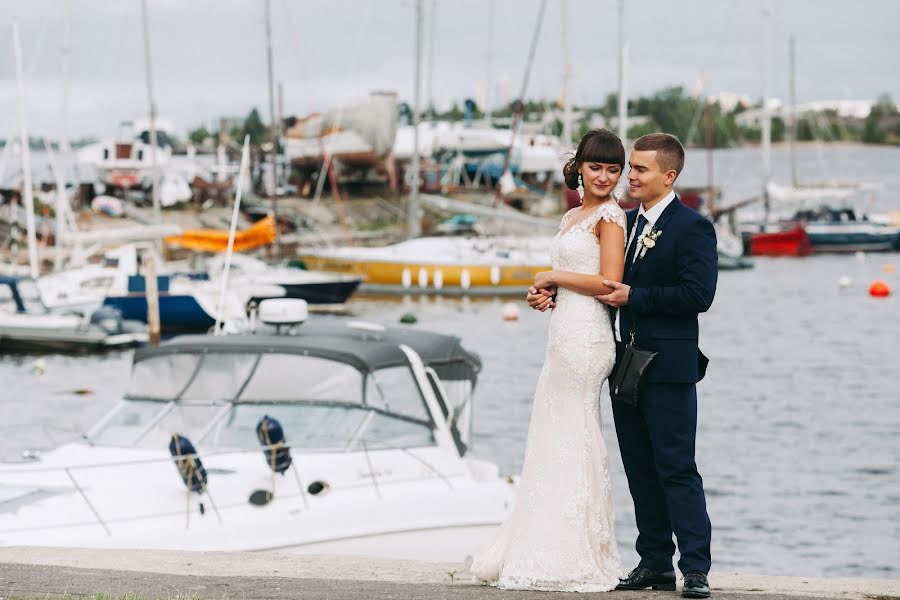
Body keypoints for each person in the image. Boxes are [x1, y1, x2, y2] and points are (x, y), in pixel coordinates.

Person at [469, 129, 627, 592]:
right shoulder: (573, 215)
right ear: (579, 166)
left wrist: (553, 275)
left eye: (613, 169)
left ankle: (574, 549)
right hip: (563, 333)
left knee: (573, 432)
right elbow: (575, 279)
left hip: (588, 341)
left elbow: (608, 283)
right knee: (551, 432)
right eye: (595, 167)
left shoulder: (612, 217)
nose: (603, 177)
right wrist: (547, 293)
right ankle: (543, 539)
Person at [596, 133, 718, 599]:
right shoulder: (620, 223)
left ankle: (696, 568)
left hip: (668, 367)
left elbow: (698, 295)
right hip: (623, 363)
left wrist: (636, 296)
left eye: (640, 169)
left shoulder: (693, 228)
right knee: (639, 468)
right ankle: (653, 563)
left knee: (676, 467)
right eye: (630, 168)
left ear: (669, 176)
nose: (630, 176)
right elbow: (601, 281)